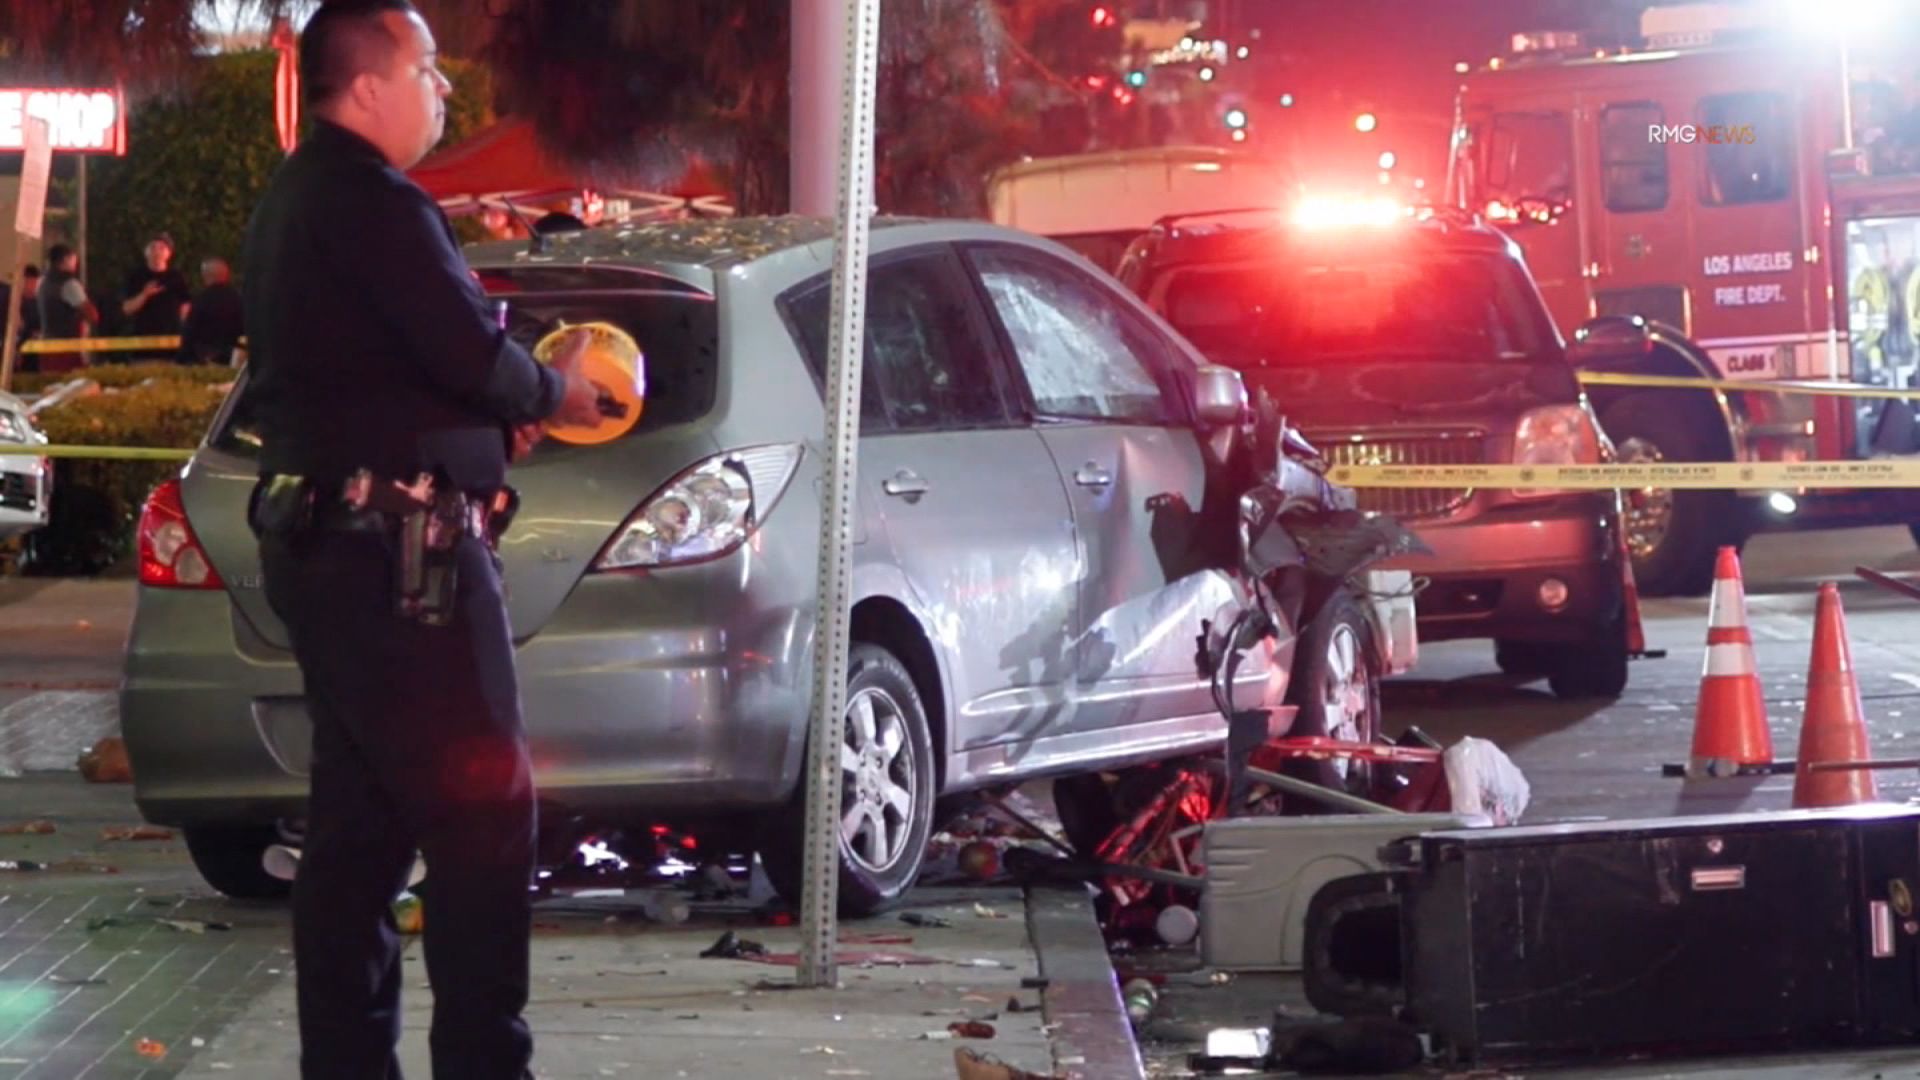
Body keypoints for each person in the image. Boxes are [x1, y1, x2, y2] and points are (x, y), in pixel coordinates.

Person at [240, 2, 607, 1077]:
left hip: (334, 547)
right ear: (366, 88)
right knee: (483, 820)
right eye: (429, 69)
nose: (444, 91)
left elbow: (381, 367)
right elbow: (464, 346)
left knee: (358, 834)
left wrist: (492, 417)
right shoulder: (375, 203)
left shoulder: (294, 201)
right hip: (404, 564)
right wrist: (555, 391)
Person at [118, 233, 192, 361]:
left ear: (169, 253)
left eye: (162, 248)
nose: (157, 252)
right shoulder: (136, 276)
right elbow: (126, 309)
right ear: (145, 252)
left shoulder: (176, 277)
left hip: (171, 347)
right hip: (142, 346)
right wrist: (144, 295)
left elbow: (186, 306)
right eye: (152, 247)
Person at [37, 245, 97, 375]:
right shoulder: (69, 284)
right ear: (65, 260)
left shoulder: (42, 282)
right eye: (74, 259)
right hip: (67, 347)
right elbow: (92, 314)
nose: (76, 263)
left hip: (47, 345)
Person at [178, 256, 245, 365]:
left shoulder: (202, 300)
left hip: (204, 357)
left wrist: (181, 359)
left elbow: (190, 332)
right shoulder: (238, 298)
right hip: (232, 356)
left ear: (206, 276)